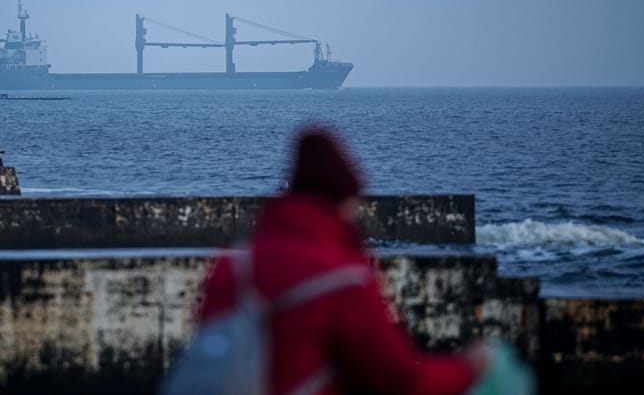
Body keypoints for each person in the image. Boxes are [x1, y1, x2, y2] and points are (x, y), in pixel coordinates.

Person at [196, 126, 492, 395]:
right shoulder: (343, 279)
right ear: (342, 201)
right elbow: (399, 379)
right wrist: (469, 369)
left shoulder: (230, 267)